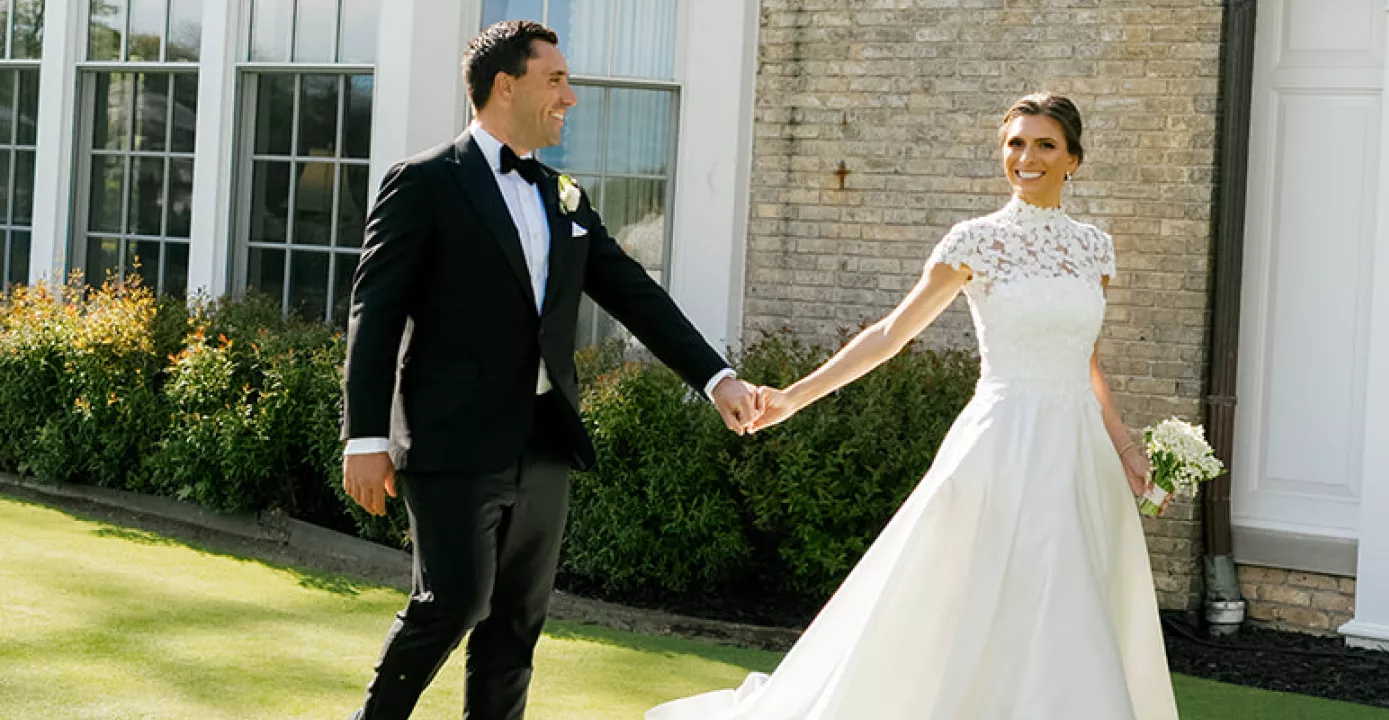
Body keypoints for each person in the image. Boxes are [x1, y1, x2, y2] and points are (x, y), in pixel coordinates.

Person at [645, 93, 1179, 719]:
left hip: (1079, 454)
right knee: (970, 598)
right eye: (1015, 143)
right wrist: (793, 398)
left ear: (1073, 160)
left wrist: (1126, 447)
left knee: (1072, 601)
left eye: (1044, 145)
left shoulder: (1094, 249)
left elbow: (1087, 364)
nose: (1026, 157)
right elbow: (890, 334)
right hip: (1001, 445)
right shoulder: (976, 242)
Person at [337, 21, 761, 720]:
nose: (571, 97)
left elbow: (634, 293)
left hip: (543, 440)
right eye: (556, 80)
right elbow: (374, 313)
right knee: (452, 603)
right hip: (450, 439)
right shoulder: (424, 183)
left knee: (516, 625)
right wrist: (364, 436)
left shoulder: (562, 194)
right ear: (506, 86)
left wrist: (717, 379)